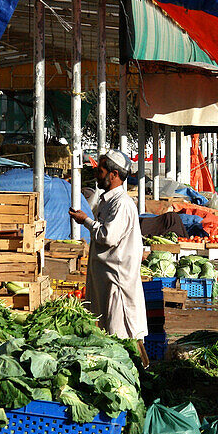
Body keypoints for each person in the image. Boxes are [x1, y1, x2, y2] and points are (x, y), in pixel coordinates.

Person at [69, 150, 149, 365]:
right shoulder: (108, 201)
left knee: (122, 336)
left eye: (101, 171)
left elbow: (108, 236)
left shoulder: (121, 204)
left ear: (113, 174)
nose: (97, 175)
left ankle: (138, 373)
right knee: (110, 333)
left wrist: (85, 220)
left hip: (117, 283)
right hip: (107, 281)